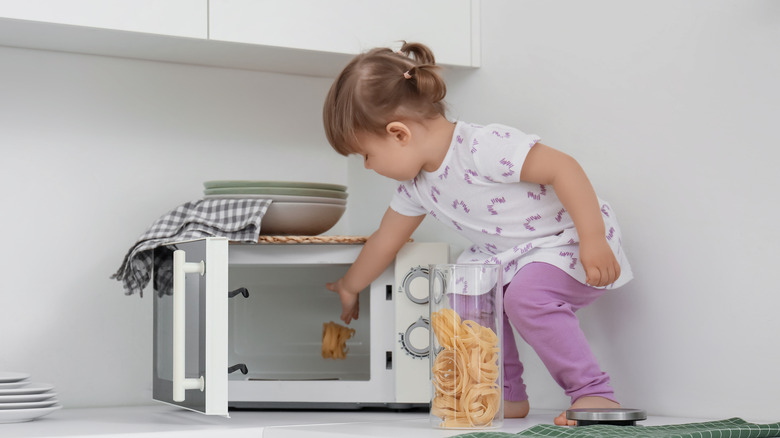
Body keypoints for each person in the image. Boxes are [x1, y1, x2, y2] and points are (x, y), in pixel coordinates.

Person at [322, 41, 633, 426]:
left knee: (526, 297)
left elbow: (563, 168)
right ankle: (505, 395)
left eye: (366, 155)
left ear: (399, 133)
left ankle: (592, 392)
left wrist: (593, 238)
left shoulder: (481, 147)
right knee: (465, 293)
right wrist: (351, 285)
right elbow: (386, 239)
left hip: (564, 240)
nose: (368, 166)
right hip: (507, 256)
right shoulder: (415, 187)